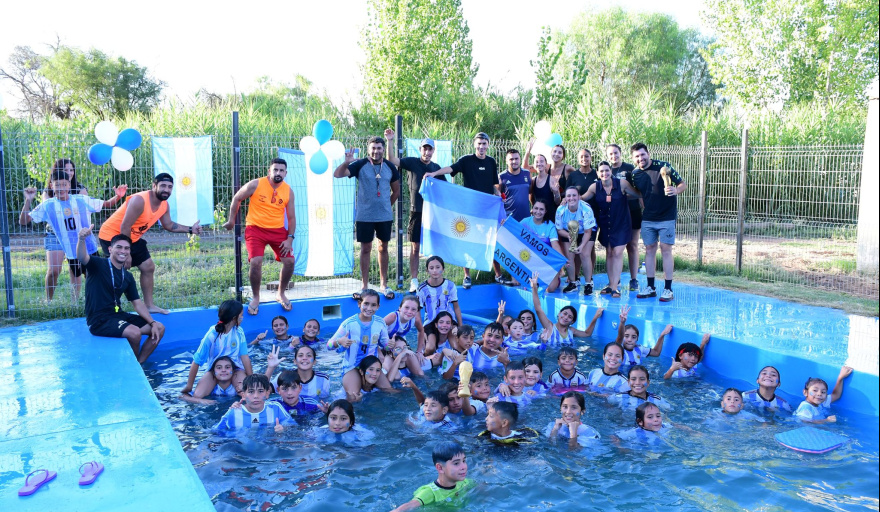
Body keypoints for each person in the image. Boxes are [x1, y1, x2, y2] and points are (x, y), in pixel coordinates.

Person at [98, 173, 202, 314]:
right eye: (163, 186)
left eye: (170, 187)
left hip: (132, 237)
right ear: (154, 186)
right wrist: (127, 254)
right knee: (118, 271)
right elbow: (125, 226)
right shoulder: (139, 200)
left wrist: (191, 229)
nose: (166, 190)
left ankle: (149, 306)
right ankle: (108, 309)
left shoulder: (164, 205)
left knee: (148, 267)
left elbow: (168, 225)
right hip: (111, 236)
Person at [20, 170, 125, 301]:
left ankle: (105, 302)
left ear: (69, 185)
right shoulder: (48, 205)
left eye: (64, 184)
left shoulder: (81, 199)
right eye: (57, 185)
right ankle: (75, 304)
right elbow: (23, 221)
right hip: (72, 252)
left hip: (89, 248)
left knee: (96, 277)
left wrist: (118, 196)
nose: (61, 188)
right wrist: (28, 200)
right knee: (76, 278)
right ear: (52, 186)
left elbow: (107, 204)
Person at [425, 132, 508, 288]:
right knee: (466, 240)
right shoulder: (466, 160)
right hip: (469, 210)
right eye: (479, 143)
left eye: (484, 144)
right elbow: (451, 169)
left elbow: (494, 184)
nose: (481, 147)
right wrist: (434, 173)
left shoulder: (491, 162)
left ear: (488, 145)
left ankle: (498, 275)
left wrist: (498, 195)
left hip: (486, 212)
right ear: (474, 144)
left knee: (491, 241)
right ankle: (467, 276)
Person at [77, 226, 164, 363]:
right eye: (119, 247)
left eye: (126, 248)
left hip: (118, 315)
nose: (123, 251)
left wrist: (152, 322)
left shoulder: (127, 276)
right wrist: (82, 239)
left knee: (159, 328)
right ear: (110, 249)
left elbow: (137, 303)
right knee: (134, 333)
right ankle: (132, 367)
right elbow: (82, 257)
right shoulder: (98, 264)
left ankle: (140, 363)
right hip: (99, 320)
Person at [222, 158, 296, 314]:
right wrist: (231, 221)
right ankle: (256, 297)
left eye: (281, 170)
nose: (278, 173)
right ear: (269, 171)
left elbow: (291, 217)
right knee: (256, 262)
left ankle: (281, 293)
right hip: (255, 229)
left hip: (277, 230)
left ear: (286, 173)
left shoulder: (288, 191)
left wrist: (290, 238)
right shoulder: (256, 184)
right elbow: (237, 198)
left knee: (290, 261)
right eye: (275, 170)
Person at [335, 136, 401, 300]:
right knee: (365, 249)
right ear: (368, 149)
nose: (376, 151)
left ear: (383, 149)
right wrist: (346, 163)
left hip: (384, 216)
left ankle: (383, 284)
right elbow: (338, 174)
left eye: (379, 148)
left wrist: (386, 206)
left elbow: (396, 191)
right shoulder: (360, 164)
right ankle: (364, 286)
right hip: (364, 216)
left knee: (383, 248)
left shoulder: (390, 167)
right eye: (373, 148)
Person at [383, 130, 440, 293]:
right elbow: (392, 160)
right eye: (424, 149)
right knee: (415, 248)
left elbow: (446, 190)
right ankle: (414, 281)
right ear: (420, 150)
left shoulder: (436, 168)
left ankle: (434, 279)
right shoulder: (412, 162)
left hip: (432, 214)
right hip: (416, 212)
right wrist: (390, 141)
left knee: (433, 249)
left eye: (430, 149)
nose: (427, 152)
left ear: (433, 151)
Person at [630, 143, 687, 302]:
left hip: (667, 216)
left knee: (665, 249)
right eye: (637, 156)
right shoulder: (635, 174)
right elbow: (640, 192)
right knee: (649, 250)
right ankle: (651, 287)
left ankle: (668, 289)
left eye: (643, 154)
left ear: (648, 154)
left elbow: (682, 184)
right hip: (648, 218)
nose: (640, 158)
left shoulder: (664, 167)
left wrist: (676, 190)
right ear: (633, 159)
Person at [582, 161, 642, 296]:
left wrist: (648, 188)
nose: (604, 173)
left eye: (607, 170)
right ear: (598, 173)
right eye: (601, 171)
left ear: (611, 171)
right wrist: (567, 199)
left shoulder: (622, 184)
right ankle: (611, 284)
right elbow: (583, 198)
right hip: (606, 224)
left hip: (622, 223)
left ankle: (615, 287)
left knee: (617, 252)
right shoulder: (594, 187)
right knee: (609, 252)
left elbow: (637, 194)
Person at [180, 299, 253, 399]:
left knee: (248, 394)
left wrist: (251, 379)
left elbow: (245, 357)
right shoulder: (211, 335)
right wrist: (189, 386)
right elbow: (197, 360)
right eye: (241, 315)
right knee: (197, 396)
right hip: (214, 371)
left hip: (236, 370)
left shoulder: (239, 332)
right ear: (234, 318)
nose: (242, 318)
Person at [390, 441, 474, 512]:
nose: (464, 467)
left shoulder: (464, 482)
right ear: (440, 468)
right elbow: (409, 505)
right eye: (456, 463)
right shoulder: (430, 493)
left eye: (464, 461)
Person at [530, 273, 601, 346]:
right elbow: (538, 309)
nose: (566, 317)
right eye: (565, 313)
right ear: (559, 313)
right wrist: (534, 288)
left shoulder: (571, 331)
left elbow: (587, 334)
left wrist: (595, 317)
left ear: (572, 321)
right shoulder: (550, 327)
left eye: (570, 317)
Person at [327, 289, 390, 372]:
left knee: (391, 381)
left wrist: (390, 345)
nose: (369, 308)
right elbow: (328, 346)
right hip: (352, 367)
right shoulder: (348, 324)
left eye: (373, 305)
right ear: (359, 304)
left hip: (372, 368)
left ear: (378, 306)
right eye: (366, 304)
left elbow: (386, 346)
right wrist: (339, 341)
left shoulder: (380, 323)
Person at [606, 144, 641, 291]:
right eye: (610, 154)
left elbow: (638, 191)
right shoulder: (606, 170)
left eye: (616, 153)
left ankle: (634, 279)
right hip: (616, 215)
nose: (613, 156)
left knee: (632, 245)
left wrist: (625, 196)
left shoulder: (630, 169)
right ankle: (616, 280)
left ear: (620, 153)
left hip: (632, 211)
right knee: (614, 247)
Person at [214, 374, 292, 433]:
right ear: (243, 395)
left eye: (260, 391)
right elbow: (215, 432)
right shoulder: (234, 412)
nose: (256, 396)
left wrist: (283, 428)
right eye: (251, 392)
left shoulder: (275, 408)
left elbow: (292, 425)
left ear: (267, 394)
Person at [555, 187, 597, 294]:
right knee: (569, 256)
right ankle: (572, 283)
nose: (571, 198)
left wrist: (581, 246)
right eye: (568, 196)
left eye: (574, 195)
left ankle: (588, 283)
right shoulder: (560, 210)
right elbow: (559, 230)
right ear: (565, 198)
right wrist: (569, 236)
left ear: (579, 197)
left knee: (584, 254)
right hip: (567, 231)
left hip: (586, 231)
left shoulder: (586, 209)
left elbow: (588, 232)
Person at [519, 199, 563, 292]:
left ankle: (556, 276)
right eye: (536, 208)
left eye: (541, 209)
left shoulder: (550, 226)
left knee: (550, 289)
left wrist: (562, 260)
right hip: (529, 261)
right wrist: (505, 224)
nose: (538, 212)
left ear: (545, 211)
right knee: (531, 287)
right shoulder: (525, 222)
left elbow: (555, 245)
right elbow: (512, 234)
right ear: (532, 209)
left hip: (546, 262)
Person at [265, 344, 330, 401]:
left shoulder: (323, 379)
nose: (304, 358)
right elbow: (264, 392)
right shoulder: (284, 376)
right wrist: (271, 367)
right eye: (300, 355)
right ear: (295, 361)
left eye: (309, 355)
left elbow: (324, 402)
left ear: (314, 361)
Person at [614, 305, 668, 371]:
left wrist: (662, 335)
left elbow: (656, 353)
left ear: (637, 339)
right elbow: (620, 336)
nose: (630, 340)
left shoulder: (640, 349)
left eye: (633, 337)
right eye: (626, 336)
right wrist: (622, 322)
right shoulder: (619, 348)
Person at [417, 256, 463, 327]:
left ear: (443, 269)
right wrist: (421, 330)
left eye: (438, 267)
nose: (435, 270)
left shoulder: (450, 285)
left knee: (454, 332)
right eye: (431, 268)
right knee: (428, 334)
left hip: (449, 320)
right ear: (427, 271)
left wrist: (460, 326)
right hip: (430, 321)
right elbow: (417, 311)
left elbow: (456, 307)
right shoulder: (422, 289)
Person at [608, 365, 672, 411]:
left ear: (648, 383)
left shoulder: (657, 400)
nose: (638, 383)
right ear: (628, 382)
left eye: (642, 379)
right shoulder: (617, 398)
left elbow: (668, 414)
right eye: (633, 379)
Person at [499, 149, 532, 221]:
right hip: (509, 220)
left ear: (520, 159)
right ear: (506, 161)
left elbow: (530, 192)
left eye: (516, 158)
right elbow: (497, 197)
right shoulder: (501, 177)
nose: (514, 161)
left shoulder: (527, 173)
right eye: (511, 159)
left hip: (526, 219)